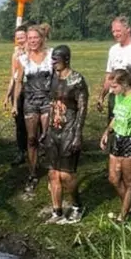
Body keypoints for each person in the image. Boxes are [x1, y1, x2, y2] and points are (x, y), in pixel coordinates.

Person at [99, 69, 131, 222]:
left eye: (114, 86)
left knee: (129, 182)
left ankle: (123, 216)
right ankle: (130, 206)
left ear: (124, 84)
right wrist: (106, 132)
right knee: (113, 178)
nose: (111, 90)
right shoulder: (118, 97)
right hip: (117, 139)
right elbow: (117, 116)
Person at [44, 45, 88, 224]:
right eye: (52, 59)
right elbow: (50, 105)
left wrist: (77, 134)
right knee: (53, 174)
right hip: (53, 131)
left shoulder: (77, 80)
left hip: (69, 130)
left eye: (57, 59)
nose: (54, 62)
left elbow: (83, 109)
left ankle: (77, 205)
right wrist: (46, 130)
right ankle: (57, 211)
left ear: (66, 59)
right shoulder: (53, 78)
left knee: (66, 175)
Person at [12, 25, 53, 194]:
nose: (33, 41)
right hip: (30, 102)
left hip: (47, 100)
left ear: (42, 38)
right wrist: (15, 103)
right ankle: (32, 173)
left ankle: (53, 172)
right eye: (30, 39)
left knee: (48, 137)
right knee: (31, 139)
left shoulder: (51, 56)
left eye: (35, 38)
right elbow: (19, 82)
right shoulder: (23, 59)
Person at [4, 25, 29, 166]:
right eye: (17, 38)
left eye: (22, 37)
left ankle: (37, 150)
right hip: (17, 92)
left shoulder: (33, 53)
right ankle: (21, 151)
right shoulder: (15, 55)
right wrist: (8, 94)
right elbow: (13, 76)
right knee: (19, 123)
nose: (20, 40)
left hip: (30, 89)